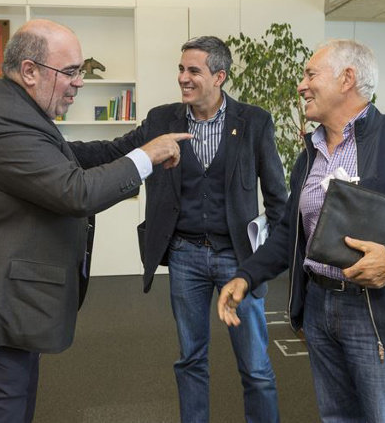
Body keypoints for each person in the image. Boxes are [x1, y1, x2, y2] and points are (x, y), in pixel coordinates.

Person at [0, 19, 190, 422]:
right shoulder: (2, 120)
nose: (79, 82)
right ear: (29, 70)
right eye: (71, 72)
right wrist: (147, 157)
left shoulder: (11, 106)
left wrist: (138, 143)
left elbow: (66, 155)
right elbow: (77, 192)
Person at [218, 39, 385, 422]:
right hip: (320, 310)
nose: (301, 85)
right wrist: (247, 275)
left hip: (380, 317)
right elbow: (292, 232)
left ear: (347, 79)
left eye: (311, 75)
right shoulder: (309, 152)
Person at [115, 36, 287, 423]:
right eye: (181, 69)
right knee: (190, 360)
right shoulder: (162, 120)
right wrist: (58, 148)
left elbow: (277, 197)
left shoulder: (254, 121)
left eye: (194, 70)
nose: (184, 78)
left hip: (238, 260)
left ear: (219, 76)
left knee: (256, 367)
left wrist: (267, 260)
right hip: (185, 255)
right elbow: (119, 150)